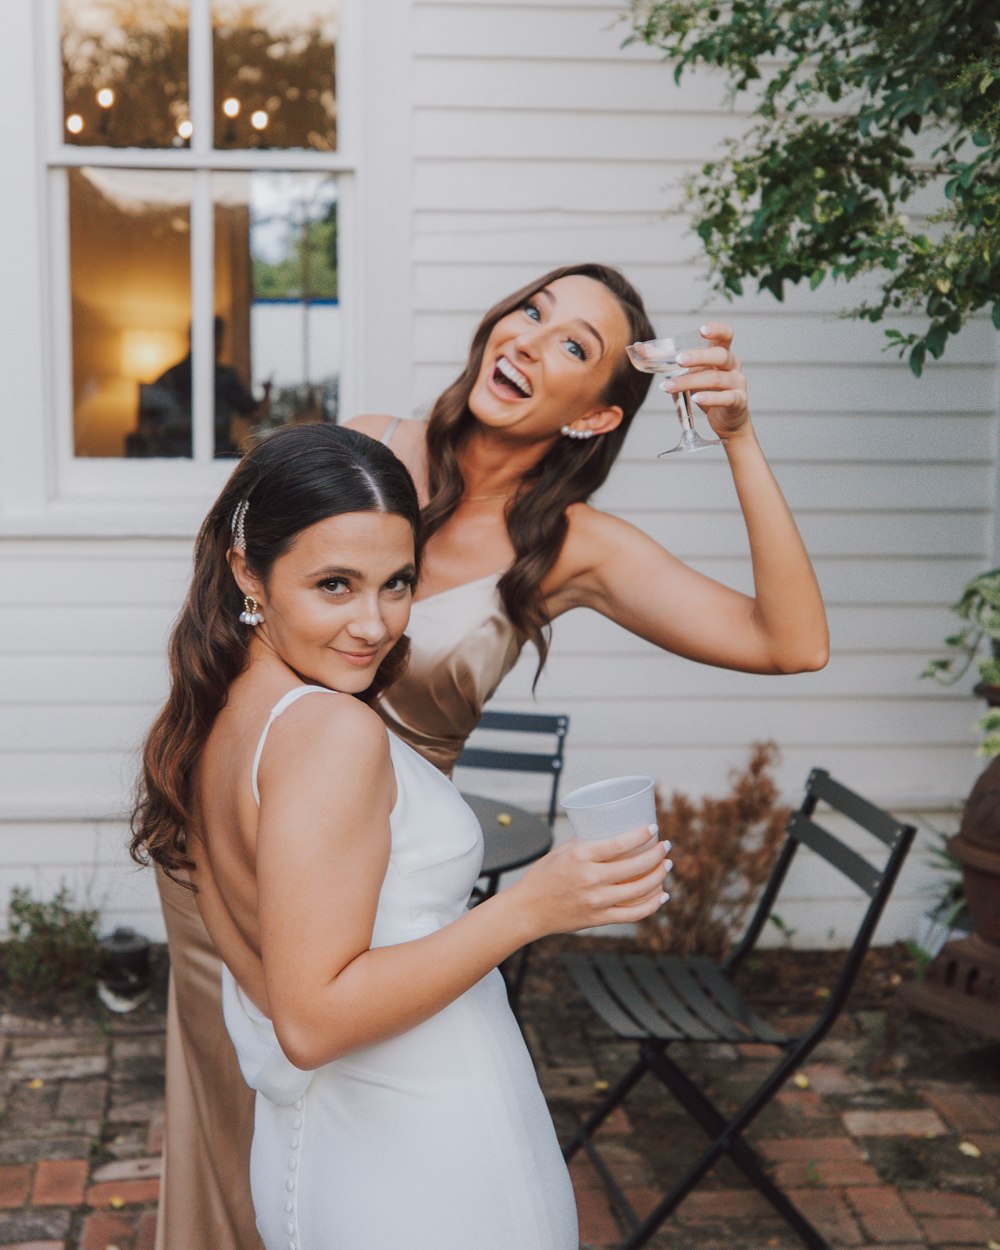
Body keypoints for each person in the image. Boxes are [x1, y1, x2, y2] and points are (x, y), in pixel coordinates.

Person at [150, 262, 829, 1250]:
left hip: (391, 868)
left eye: (572, 346)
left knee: (362, 1148)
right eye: (531, 309)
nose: (527, 337)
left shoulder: (568, 546)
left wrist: (737, 440)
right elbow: (242, 582)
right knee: (237, 1131)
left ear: (596, 416)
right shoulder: (372, 451)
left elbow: (791, 641)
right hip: (251, 838)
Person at [131, 423, 669, 1250]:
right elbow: (311, 1019)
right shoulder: (326, 731)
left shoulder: (217, 712)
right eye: (335, 585)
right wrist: (531, 907)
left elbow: (273, 988)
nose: (375, 624)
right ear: (249, 569)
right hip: (423, 1165)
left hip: (329, 1150)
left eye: (398, 583)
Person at [136, 315, 272, 458]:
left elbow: (147, 420)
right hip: (214, 455)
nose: (222, 345)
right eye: (219, 338)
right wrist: (267, 392)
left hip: (171, 456)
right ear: (215, 340)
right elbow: (257, 415)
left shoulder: (171, 374)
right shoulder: (223, 377)